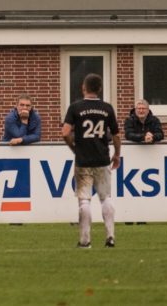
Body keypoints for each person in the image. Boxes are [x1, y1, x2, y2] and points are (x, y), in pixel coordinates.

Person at [62, 74, 121, 248]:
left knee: (84, 200)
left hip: (83, 160)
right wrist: (117, 154)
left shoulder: (75, 107)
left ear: (83, 88)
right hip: (102, 159)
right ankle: (110, 236)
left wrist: (74, 147)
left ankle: (85, 241)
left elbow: (65, 132)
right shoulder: (107, 108)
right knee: (106, 198)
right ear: (100, 89)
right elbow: (116, 135)